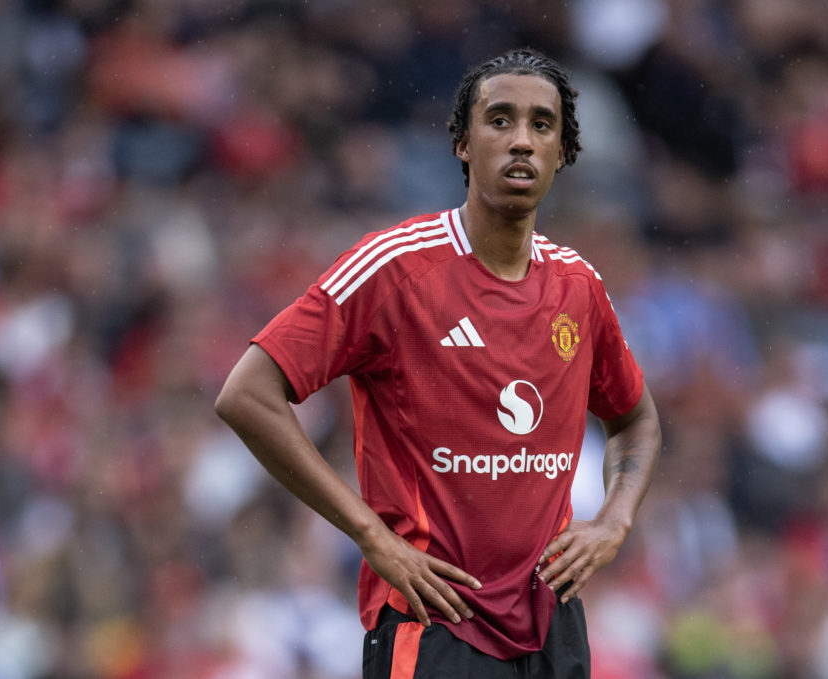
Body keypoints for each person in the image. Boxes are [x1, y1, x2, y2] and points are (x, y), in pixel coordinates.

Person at [215, 47, 662, 678]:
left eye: (542, 125)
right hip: (434, 623)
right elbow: (247, 394)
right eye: (499, 120)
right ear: (461, 143)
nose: (521, 142)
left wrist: (614, 521)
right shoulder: (395, 268)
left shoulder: (578, 286)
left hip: (553, 627)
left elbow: (635, 418)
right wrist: (373, 537)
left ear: (563, 152)